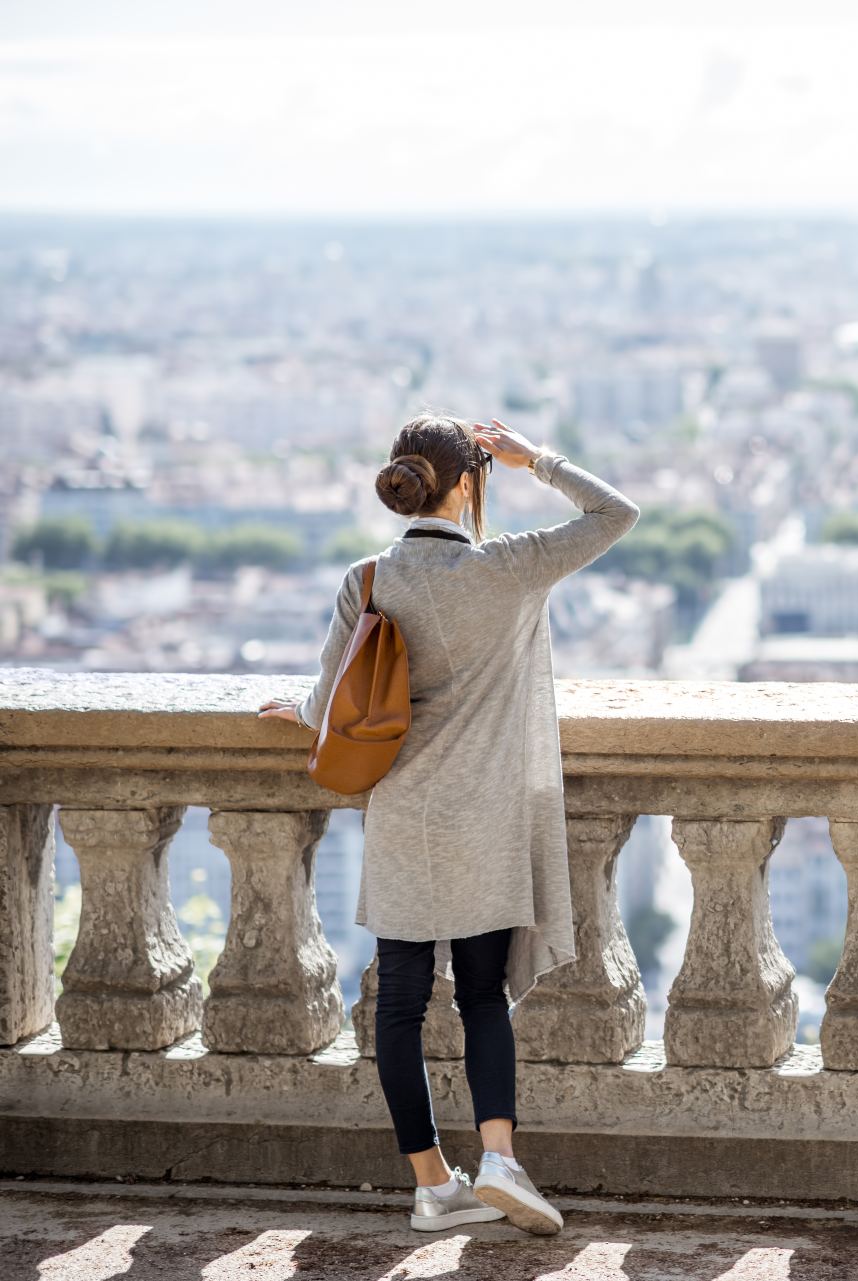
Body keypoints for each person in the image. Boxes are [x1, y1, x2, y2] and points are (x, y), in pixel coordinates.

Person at [260, 414, 639, 1234]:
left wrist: (291, 711)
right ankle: (499, 1157)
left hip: (403, 815)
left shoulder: (367, 580)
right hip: (487, 819)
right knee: (481, 996)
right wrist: (534, 457)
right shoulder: (511, 567)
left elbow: (327, 706)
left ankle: (433, 1184)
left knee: (397, 1002)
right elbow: (618, 515)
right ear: (467, 483)